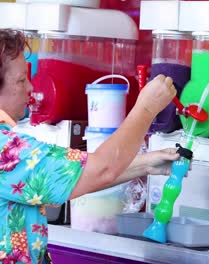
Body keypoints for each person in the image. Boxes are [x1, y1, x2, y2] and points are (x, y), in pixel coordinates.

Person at [0, 29, 180, 264]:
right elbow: (101, 169)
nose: (31, 88)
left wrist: (143, 165)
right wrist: (146, 108)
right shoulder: (8, 151)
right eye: (21, 80)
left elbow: (72, 176)